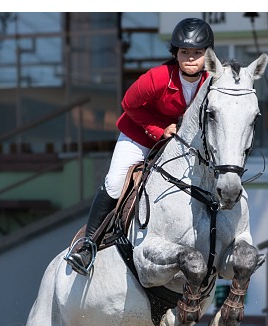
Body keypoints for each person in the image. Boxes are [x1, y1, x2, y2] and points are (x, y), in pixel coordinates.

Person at [65, 17, 214, 275]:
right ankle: (87, 245)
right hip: (139, 136)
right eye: (185, 52)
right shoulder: (158, 77)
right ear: (175, 54)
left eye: (197, 53)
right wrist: (159, 130)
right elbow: (129, 105)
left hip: (178, 146)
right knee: (114, 182)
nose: (191, 58)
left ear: (207, 55)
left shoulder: (211, 81)